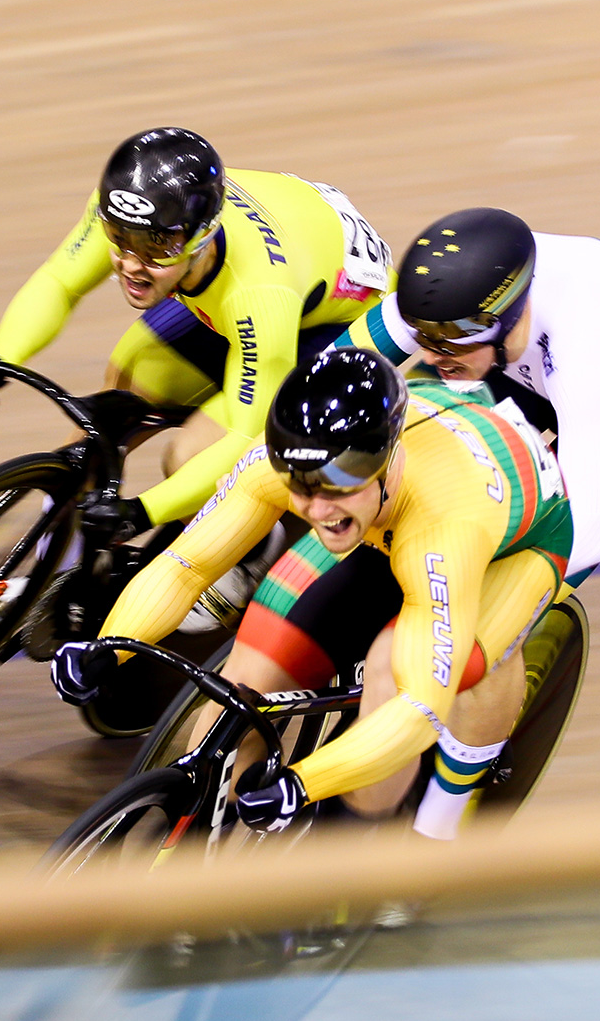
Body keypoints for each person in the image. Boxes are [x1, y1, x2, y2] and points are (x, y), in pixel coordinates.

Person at [50, 347, 572, 842]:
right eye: (302, 486)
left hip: (514, 547)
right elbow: (187, 566)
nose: (318, 507)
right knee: (238, 694)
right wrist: (107, 647)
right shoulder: (280, 465)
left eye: (338, 483)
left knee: (394, 677)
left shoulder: (445, 532)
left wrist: (302, 785)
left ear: (387, 462)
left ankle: (423, 836)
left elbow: (416, 712)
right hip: (384, 518)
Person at [0, 127, 392, 551]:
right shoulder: (135, 207)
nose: (133, 264)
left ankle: (240, 560)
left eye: (157, 248)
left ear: (204, 236)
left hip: (330, 321)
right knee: (129, 378)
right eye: (119, 240)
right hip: (264, 271)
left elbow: (242, 435)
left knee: (190, 454)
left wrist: (141, 512)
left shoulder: (258, 293)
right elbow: (60, 281)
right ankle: (51, 561)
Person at [335, 206, 600, 585]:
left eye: (444, 341)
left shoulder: (588, 357)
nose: (428, 355)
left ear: (503, 317)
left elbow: (587, 536)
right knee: (413, 455)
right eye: (421, 335)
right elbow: (327, 373)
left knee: (522, 581)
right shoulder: (445, 298)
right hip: (513, 356)